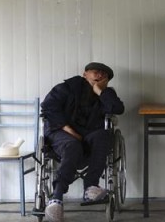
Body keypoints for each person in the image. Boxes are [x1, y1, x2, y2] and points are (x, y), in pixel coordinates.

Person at [41, 62, 125, 222]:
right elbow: (48, 107)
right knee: (72, 145)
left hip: (89, 136)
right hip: (61, 132)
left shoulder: (107, 94)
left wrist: (101, 91)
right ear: (85, 73)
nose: (99, 75)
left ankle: (90, 187)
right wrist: (70, 131)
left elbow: (118, 108)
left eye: (104, 75)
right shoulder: (67, 87)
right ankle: (56, 197)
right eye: (96, 72)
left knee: (104, 135)